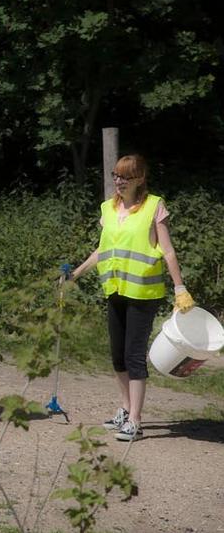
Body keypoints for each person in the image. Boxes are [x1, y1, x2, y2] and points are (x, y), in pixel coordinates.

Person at [68, 155, 193, 442]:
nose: (119, 181)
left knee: (134, 356)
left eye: (126, 176)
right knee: (117, 356)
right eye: (116, 175)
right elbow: (102, 251)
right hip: (115, 290)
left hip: (143, 293)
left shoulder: (154, 206)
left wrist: (179, 288)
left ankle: (135, 420)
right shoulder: (108, 209)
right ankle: (125, 409)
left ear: (139, 179)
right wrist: (75, 274)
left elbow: (168, 250)